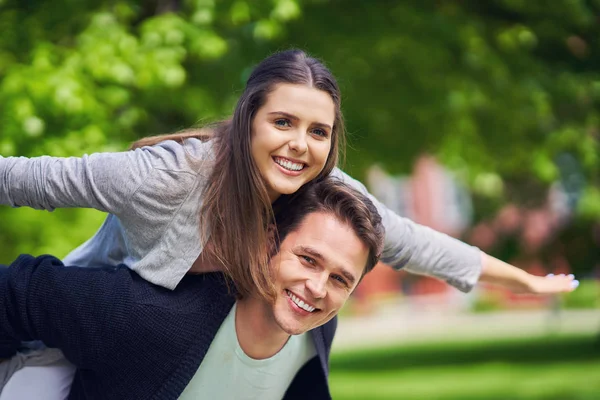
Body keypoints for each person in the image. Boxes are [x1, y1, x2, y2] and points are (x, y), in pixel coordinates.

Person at [0, 49, 577, 396]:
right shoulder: (168, 177)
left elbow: (413, 243)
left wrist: (525, 282)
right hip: (69, 325)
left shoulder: (322, 196)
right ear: (249, 118)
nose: (300, 145)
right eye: (283, 121)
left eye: (319, 132)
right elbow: (31, 179)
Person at [0, 178, 384, 399]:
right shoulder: (151, 316)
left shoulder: (315, 331)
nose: (317, 288)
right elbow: (19, 293)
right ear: (269, 242)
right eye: (308, 259)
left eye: (339, 279)